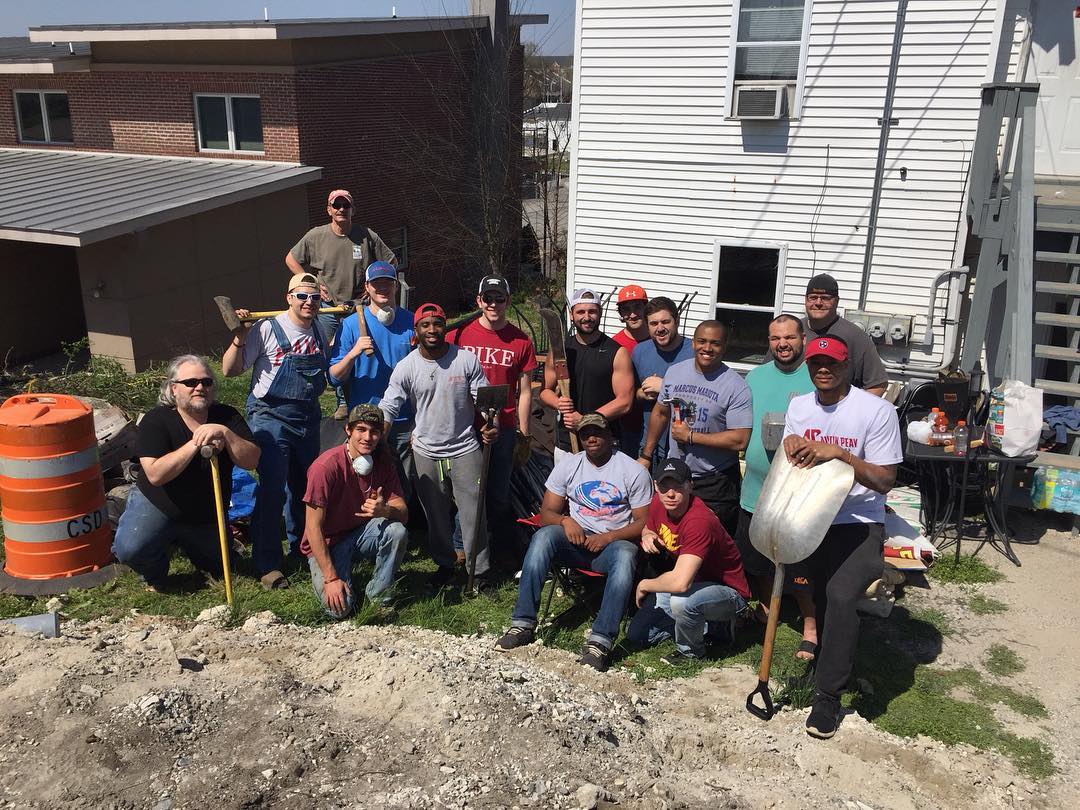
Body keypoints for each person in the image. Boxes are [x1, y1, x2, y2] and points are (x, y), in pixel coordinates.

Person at [782, 335, 902, 739]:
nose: (823, 369)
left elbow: (885, 480)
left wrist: (843, 455)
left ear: (847, 365)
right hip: (811, 514)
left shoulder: (876, 411)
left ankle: (827, 698)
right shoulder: (800, 405)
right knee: (810, 590)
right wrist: (791, 444)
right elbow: (793, 457)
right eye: (816, 362)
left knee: (841, 596)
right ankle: (824, 649)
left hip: (858, 520)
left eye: (831, 363)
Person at [495, 413, 652, 672]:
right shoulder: (569, 465)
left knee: (625, 556)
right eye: (585, 433)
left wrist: (608, 537)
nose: (591, 438)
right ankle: (522, 623)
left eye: (598, 432)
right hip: (575, 542)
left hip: (613, 545)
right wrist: (565, 522)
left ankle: (600, 642)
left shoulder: (632, 471)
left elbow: (642, 522)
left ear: (611, 437)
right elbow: (547, 513)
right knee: (543, 536)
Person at [378, 303, 497, 594]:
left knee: (473, 512)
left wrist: (490, 422)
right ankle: (445, 564)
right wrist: (378, 441)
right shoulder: (407, 366)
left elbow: (485, 399)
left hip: (465, 447)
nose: (432, 330)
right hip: (426, 450)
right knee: (435, 514)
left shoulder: (465, 360)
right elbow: (389, 406)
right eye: (425, 325)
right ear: (416, 331)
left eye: (438, 324)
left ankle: (479, 572)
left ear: (445, 327)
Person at [112, 355, 260, 590]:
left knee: (222, 568)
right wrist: (195, 443)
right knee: (131, 549)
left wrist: (225, 433)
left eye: (206, 382)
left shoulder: (226, 416)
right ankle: (155, 573)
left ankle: (187, 543)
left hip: (205, 513)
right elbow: (155, 474)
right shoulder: (156, 420)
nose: (200, 387)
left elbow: (251, 461)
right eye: (190, 382)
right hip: (159, 505)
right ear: (173, 388)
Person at [222, 272, 330, 591]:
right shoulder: (266, 328)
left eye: (314, 297)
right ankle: (267, 563)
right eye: (302, 296)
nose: (308, 302)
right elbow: (230, 370)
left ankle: (301, 549)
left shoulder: (320, 331)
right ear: (289, 298)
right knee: (273, 488)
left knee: (305, 487)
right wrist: (238, 337)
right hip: (270, 417)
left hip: (307, 417)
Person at [739, 314, 819, 659]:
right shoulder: (755, 377)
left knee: (800, 563)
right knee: (754, 556)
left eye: (789, 337)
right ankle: (767, 607)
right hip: (756, 484)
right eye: (775, 338)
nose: (782, 344)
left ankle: (811, 626)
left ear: (802, 338)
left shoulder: (816, 377)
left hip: (797, 486)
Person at [447, 275, 537, 566]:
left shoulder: (521, 341)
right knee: (469, 489)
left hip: (504, 426)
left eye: (500, 298)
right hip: (466, 425)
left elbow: (524, 392)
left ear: (509, 301)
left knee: (497, 491)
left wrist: (524, 432)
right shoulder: (458, 336)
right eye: (488, 298)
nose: (494, 304)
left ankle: (494, 545)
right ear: (479, 301)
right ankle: (461, 546)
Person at [286, 188, 398, 419]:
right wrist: (313, 283)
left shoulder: (366, 236)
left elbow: (391, 261)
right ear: (329, 210)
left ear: (353, 210)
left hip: (357, 307)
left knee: (361, 350)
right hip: (328, 307)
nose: (341, 210)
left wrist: (370, 288)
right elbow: (291, 259)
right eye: (336, 205)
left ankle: (367, 394)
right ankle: (342, 401)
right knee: (332, 353)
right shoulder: (316, 236)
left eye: (345, 206)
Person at [628, 458, 750, 663]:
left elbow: (680, 583)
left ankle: (691, 652)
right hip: (692, 581)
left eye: (678, 485)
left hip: (727, 591)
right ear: (656, 486)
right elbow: (648, 526)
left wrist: (645, 584)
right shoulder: (658, 502)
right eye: (665, 486)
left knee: (682, 601)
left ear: (690, 485)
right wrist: (647, 534)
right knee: (638, 635)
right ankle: (710, 627)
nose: (671, 493)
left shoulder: (699, 520)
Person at [639, 321, 752, 538]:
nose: (707, 348)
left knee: (710, 543)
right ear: (693, 343)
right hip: (676, 475)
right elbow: (661, 413)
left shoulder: (736, 386)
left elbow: (740, 440)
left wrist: (691, 437)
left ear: (724, 347)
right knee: (671, 539)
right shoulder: (675, 373)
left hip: (714, 480)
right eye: (702, 341)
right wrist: (646, 454)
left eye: (715, 343)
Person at [302, 404, 409, 619]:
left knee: (397, 531)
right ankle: (335, 575)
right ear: (348, 431)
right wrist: (331, 579)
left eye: (374, 431)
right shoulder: (324, 467)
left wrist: (386, 510)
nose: (368, 437)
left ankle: (379, 598)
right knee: (338, 610)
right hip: (327, 542)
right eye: (361, 429)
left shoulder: (384, 463)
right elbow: (313, 528)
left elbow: (404, 514)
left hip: (358, 534)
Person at [329, 260, 416, 500]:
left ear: (395, 286)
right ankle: (369, 528)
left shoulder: (412, 323)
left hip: (405, 417)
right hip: (366, 419)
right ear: (367, 287)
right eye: (376, 284)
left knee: (404, 481)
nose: (382, 289)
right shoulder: (350, 326)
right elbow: (334, 378)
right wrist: (354, 352)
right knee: (367, 477)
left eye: (387, 283)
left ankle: (402, 525)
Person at [539, 287, 634, 453]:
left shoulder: (617, 352)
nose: (586, 317)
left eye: (592, 311)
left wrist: (586, 420)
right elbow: (545, 391)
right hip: (567, 438)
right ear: (571, 314)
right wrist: (558, 403)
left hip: (604, 440)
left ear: (600, 313)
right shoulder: (560, 350)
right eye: (580, 312)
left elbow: (624, 402)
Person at [631, 296, 694, 467]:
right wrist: (641, 394)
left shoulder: (695, 353)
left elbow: (706, 400)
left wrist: (665, 387)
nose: (660, 328)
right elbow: (630, 396)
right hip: (648, 448)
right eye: (653, 323)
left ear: (677, 321)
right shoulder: (640, 352)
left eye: (665, 322)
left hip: (686, 448)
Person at [802, 274, 888, 396]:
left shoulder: (855, 336)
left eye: (825, 298)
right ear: (806, 299)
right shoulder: (792, 331)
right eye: (813, 297)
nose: (818, 303)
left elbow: (878, 384)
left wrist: (853, 411)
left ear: (836, 301)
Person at [611, 284, 650, 458]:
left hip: (658, 423)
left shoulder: (660, 339)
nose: (633, 314)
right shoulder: (614, 345)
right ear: (620, 313)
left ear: (646, 308)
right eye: (626, 309)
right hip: (626, 425)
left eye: (637, 307)